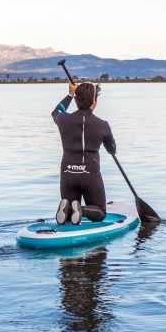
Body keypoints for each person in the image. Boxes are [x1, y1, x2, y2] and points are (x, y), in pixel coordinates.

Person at [51, 79, 116, 224]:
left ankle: (68, 208)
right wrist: (107, 143)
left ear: (76, 101)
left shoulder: (63, 119)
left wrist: (70, 94)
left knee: (69, 216)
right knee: (100, 211)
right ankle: (81, 210)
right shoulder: (102, 125)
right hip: (90, 175)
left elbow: (56, 111)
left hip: (68, 173)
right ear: (94, 101)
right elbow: (112, 149)